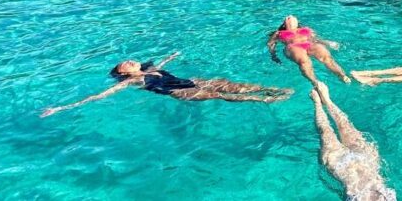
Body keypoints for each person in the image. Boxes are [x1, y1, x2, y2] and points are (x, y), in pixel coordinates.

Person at [40, 52, 292, 117]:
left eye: (128, 60)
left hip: (186, 80)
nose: (127, 61)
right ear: (123, 73)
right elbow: (100, 95)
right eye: (123, 64)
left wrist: (170, 58)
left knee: (225, 83)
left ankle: (270, 89)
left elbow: (159, 63)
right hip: (177, 91)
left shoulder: (149, 68)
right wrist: (62, 108)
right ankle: (264, 98)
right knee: (218, 94)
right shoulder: (134, 80)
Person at [311, 82, 396, 200]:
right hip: (367, 161)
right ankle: (327, 100)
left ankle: (318, 104)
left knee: (325, 130)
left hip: (341, 166)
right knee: (344, 125)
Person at [267, 15, 350, 86]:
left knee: (325, 56)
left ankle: (342, 75)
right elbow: (271, 44)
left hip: (309, 44)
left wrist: (327, 42)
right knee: (304, 61)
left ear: (297, 21)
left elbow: (316, 39)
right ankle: (315, 82)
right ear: (284, 24)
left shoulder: (306, 29)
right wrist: (273, 55)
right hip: (293, 46)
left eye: (293, 16)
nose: (290, 17)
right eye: (288, 18)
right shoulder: (279, 33)